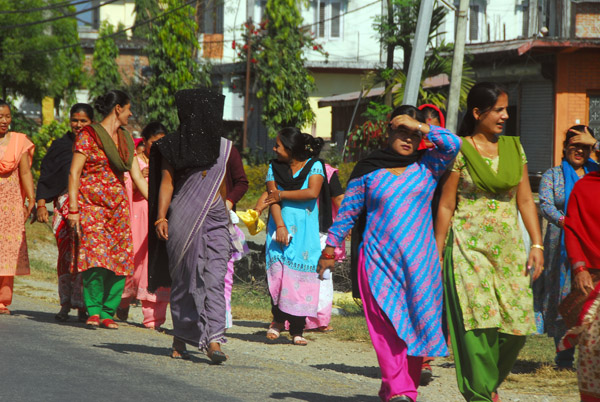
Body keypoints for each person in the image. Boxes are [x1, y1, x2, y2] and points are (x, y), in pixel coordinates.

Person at [319, 105, 460, 402]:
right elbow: (348, 213)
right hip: (377, 260)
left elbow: (453, 144)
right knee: (387, 326)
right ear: (389, 131)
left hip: (420, 264)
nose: (408, 139)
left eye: (413, 133)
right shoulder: (369, 169)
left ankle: (396, 389)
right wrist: (330, 246)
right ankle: (400, 390)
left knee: (414, 325)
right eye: (402, 131)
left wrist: (420, 126)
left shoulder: (428, 164)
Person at [435, 82, 544, 402]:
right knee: (478, 322)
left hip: (510, 249)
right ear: (477, 113)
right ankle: (481, 394)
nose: (505, 116)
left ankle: (487, 382)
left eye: (506, 109)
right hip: (468, 248)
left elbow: (525, 200)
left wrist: (536, 244)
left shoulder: (514, 148)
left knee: (518, 324)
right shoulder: (461, 149)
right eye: (498, 110)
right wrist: (437, 249)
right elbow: (446, 204)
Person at [148, 88, 232, 364]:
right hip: (182, 216)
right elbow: (167, 183)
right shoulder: (173, 145)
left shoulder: (223, 147)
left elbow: (220, 184)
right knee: (186, 280)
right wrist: (161, 218)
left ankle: (215, 340)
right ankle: (182, 335)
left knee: (215, 279)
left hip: (216, 218)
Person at [68, 90, 148, 330]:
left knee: (120, 260)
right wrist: (73, 210)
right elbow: (74, 173)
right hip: (91, 206)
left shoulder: (125, 138)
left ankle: (107, 312)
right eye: (128, 108)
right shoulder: (88, 135)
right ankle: (93, 310)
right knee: (94, 258)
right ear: (118, 109)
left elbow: (136, 176)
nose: (131, 113)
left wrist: (159, 205)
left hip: (118, 208)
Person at [535, 125, 598, 369]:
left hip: (592, 242)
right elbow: (546, 204)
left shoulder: (596, 174)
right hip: (560, 244)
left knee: (591, 295)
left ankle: (590, 353)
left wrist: (595, 142)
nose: (579, 151)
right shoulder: (554, 175)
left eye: (585, 146)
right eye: (574, 146)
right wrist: (569, 222)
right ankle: (564, 356)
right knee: (564, 296)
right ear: (565, 148)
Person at [262, 127, 330, 346]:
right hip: (279, 229)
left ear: (291, 149)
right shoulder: (274, 167)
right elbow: (272, 201)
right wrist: (280, 226)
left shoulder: (315, 166)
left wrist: (281, 194)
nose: (274, 149)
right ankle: (277, 321)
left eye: (278, 146)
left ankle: (297, 329)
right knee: (280, 277)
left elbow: (311, 192)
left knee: (299, 280)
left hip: (305, 236)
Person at [35, 103, 94, 322]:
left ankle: (83, 306)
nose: (78, 125)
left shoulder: (96, 147)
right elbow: (47, 174)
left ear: (92, 122)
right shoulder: (60, 146)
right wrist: (41, 204)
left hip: (89, 209)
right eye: (75, 120)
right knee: (65, 258)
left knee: (85, 258)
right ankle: (65, 304)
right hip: (64, 210)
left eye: (83, 121)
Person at [117, 122, 170, 329]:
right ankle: (123, 301)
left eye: (162, 142)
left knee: (153, 263)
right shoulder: (135, 162)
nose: (158, 146)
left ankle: (153, 318)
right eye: (154, 142)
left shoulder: (167, 163)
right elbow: (126, 188)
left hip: (158, 218)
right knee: (134, 261)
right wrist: (140, 178)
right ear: (144, 142)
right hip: (136, 217)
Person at [558, 167, 600, 401]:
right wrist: (579, 268)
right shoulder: (584, 187)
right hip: (594, 281)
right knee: (592, 351)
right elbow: (572, 229)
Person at [417, 103, 446, 384]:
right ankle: (417, 359)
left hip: (443, 233)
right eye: (423, 123)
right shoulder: (409, 159)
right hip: (415, 235)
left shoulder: (444, 160)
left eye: (432, 124)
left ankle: (426, 357)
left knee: (434, 300)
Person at [0, 100, 35, 315]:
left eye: (7, 116)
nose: (4, 121)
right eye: (0, 117)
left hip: (10, 204)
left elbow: (24, 172)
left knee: (8, 249)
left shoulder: (19, 141)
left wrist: (31, 198)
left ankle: (2, 298)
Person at [223, 145, 249, 329]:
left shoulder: (227, 149)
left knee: (224, 274)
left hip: (224, 222)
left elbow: (241, 181)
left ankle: (221, 319)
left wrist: (229, 202)